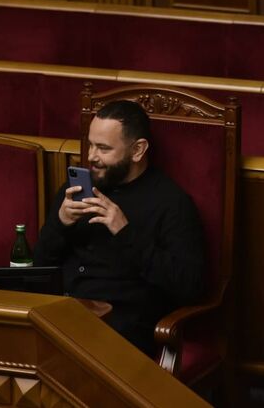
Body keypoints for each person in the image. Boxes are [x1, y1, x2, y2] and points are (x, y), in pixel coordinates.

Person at [34, 100, 205, 356]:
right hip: (63, 316)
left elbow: (189, 287)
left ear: (137, 150)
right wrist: (60, 224)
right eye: (91, 145)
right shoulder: (75, 191)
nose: (91, 156)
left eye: (103, 148)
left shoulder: (172, 203)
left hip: (121, 331)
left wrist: (125, 232)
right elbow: (39, 267)